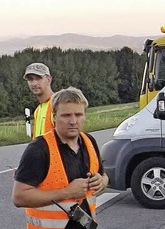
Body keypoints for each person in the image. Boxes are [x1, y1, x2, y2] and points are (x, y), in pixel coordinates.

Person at [12, 87, 108, 229]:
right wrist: (67, 192)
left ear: (84, 116)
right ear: (54, 117)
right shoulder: (39, 149)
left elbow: (104, 176)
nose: (73, 121)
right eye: (66, 115)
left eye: (78, 114)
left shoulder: (89, 142)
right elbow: (19, 197)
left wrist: (102, 181)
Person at [24, 62, 55, 139]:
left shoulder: (58, 105)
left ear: (48, 80)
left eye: (38, 78)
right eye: (30, 79)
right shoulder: (38, 110)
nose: (34, 83)